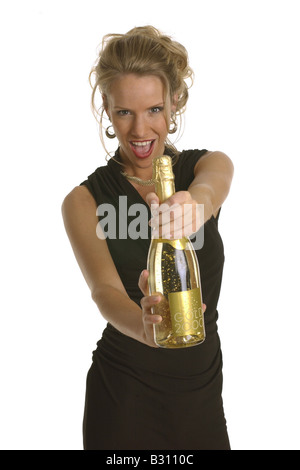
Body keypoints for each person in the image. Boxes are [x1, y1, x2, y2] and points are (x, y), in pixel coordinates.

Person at [62, 25, 234, 450]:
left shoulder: (204, 169)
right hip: (124, 394)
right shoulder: (83, 201)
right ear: (106, 108)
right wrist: (144, 327)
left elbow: (214, 185)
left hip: (201, 389)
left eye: (154, 109)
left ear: (174, 103)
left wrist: (194, 205)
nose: (140, 130)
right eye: (124, 112)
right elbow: (104, 291)